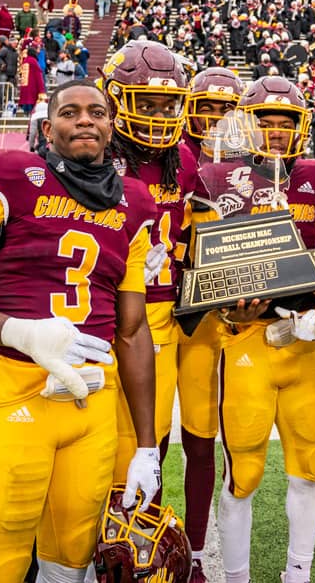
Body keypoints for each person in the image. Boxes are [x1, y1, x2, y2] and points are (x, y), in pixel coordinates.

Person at [0, 80, 161, 581]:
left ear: (111, 125)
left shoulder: (136, 203)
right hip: (19, 394)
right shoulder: (6, 173)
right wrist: (22, 332)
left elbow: (134, 331)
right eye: (70, 111)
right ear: (48, 126)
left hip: (95, 404)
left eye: (96, 111)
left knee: (73, 562)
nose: (85, 120)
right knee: (2, 565)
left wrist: (146, 445)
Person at [194, 77, 315, 583]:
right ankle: (238, 577)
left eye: (287, 123)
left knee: (308, 468)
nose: (278, 132)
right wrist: (226, 310)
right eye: (266, 122)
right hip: (246, 342)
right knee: (242, 475)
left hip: (303, 343)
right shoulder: (218, 179)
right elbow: (201, 264)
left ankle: (298, 573)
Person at [100, 41, 215, 581]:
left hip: (162, 321)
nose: (157, 116)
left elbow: (196, 239)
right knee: (101, 450)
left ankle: (141, 556)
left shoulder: (185, 160)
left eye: (167, 106)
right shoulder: (94, 152)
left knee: (152, 445)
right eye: (145, 103)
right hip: (101, 319)